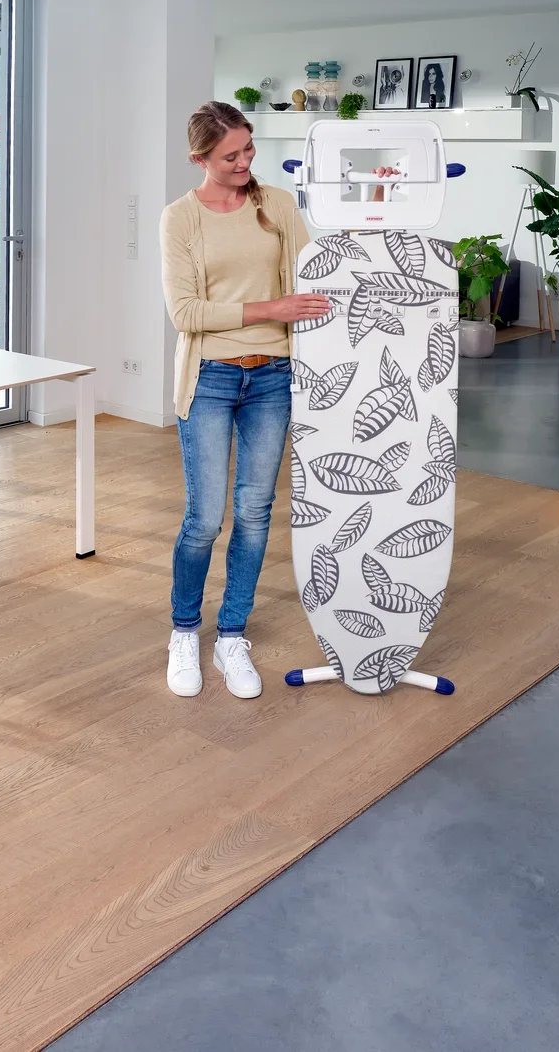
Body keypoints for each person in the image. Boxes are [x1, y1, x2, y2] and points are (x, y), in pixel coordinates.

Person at [158, 102, 329, 697]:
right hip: (209, 376)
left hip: (273, 376)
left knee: (255, 513)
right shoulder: (180, 219)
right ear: (200, 158)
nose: (244, 162)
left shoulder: (276, 204)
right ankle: (185, 632)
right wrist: (268, 310)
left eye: (249, 150)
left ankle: (231, 635)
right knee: (205, 518)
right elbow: (185, 314)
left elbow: (311, 279)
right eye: (231, 155)